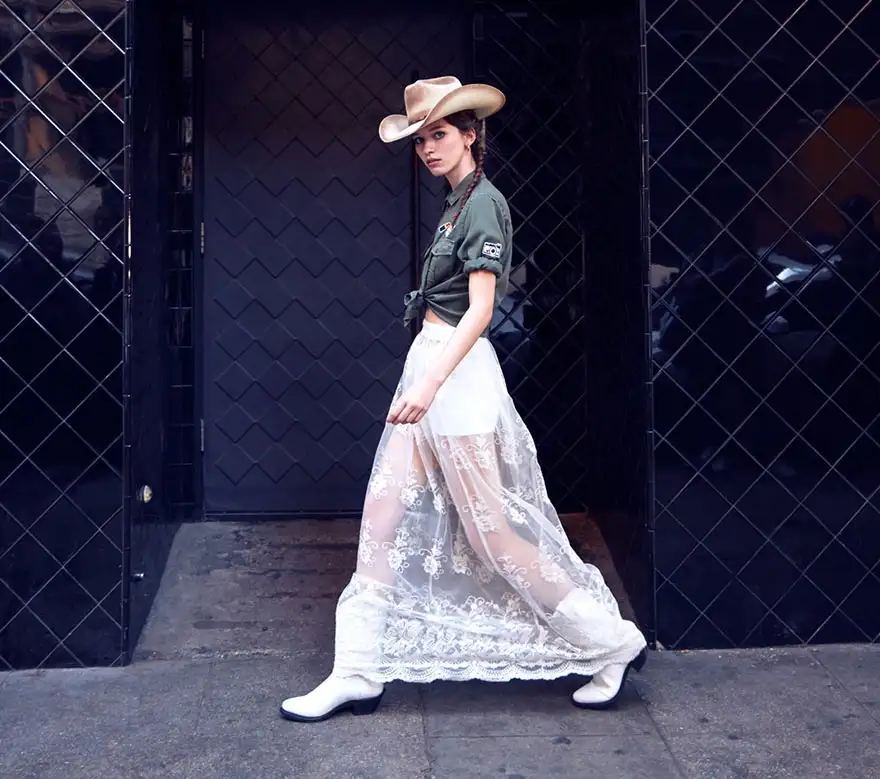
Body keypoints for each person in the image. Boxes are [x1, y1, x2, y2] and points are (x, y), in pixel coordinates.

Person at [279, 76, 647, 722]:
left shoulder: (484, 204)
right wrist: (422, 376)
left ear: (471, 134)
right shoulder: (458, 202)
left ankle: (611, 641)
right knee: (381, 518)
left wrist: (428, 383)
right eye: (420, 138)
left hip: (456, 377)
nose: (428, 147)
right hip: (431, 365)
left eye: (440, 134)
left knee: (491, 530)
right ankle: (357, 670)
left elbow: (480, 310)